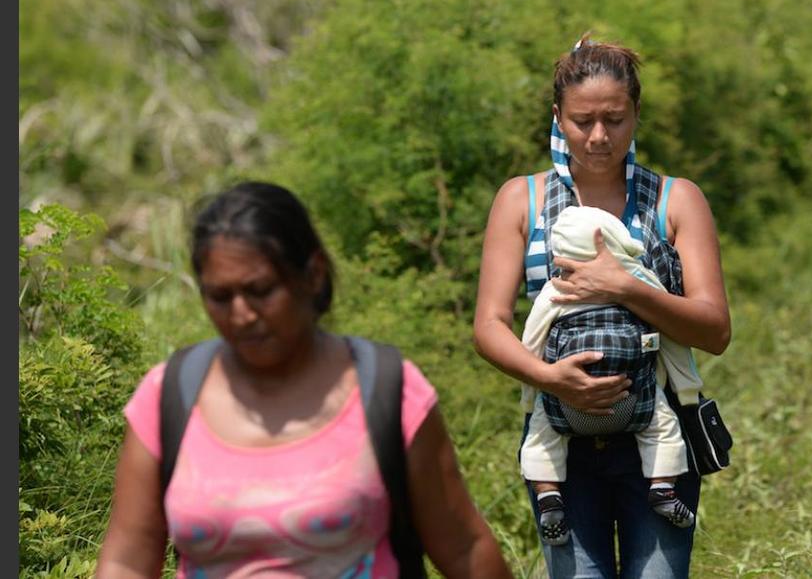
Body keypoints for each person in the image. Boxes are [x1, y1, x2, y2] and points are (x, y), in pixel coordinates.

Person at [96, 181, 513, 578]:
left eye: (260, 290)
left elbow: (463, 548)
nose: (241, 314)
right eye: (220, 297)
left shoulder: (386, 390)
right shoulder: (168, 397)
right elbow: (128, 562)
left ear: (312, 274)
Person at [473, 34, 731, 578]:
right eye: (581, 120)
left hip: (660, 439)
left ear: (636, 113)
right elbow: (490, 326)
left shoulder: (674, 200)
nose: (597, 136)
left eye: (614, 119)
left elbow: (715, 330)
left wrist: (626, 287)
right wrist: (552, 379)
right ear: (557, 117)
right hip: (560, 439)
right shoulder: (521, 200)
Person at [519, 204, 703, 545]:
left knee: (541, 436)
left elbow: (531, 340)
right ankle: (662, 488)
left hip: (564, 402)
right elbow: (674, 341)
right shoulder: (637, 278)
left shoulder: (557, 288)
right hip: (636, 398)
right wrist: (687, 388)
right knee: (664, 427)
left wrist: (535, 387)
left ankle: (548, 496)